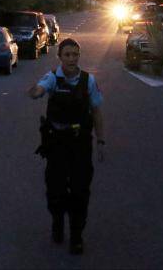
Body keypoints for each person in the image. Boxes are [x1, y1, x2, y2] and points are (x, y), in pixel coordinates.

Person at [28, 38, 104, 255]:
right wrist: (36, 91)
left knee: (80, 190)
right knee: (55, 189)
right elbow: (38, 90)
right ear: (60, 57)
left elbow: (97, 112)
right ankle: (58, 221)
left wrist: (101, 141)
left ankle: (77, 235)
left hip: (80, 144)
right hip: (57, 144)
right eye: (67, 55)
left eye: (75, 54)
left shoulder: (89, 81)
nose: (71, 58)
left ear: (79, 56)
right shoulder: (52, 78)